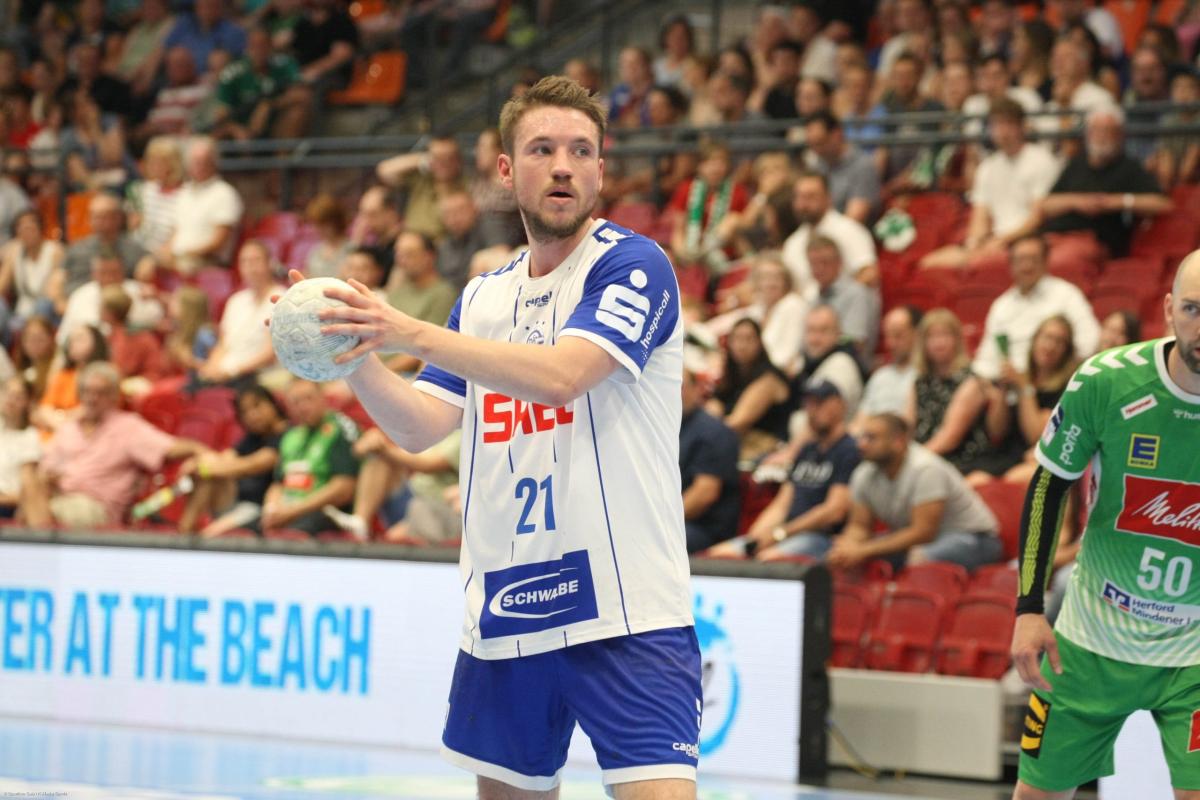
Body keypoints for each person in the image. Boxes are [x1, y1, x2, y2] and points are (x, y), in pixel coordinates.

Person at [308, 75, 701, 797]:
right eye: (542, 149)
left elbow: (563, 377)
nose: (563, 166)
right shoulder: (484, 296)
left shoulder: (633, 265)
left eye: (581, 151)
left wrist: (405, 329)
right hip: (509, 607)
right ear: (506, 170)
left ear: (601, 169)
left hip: (626, 611)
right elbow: (418, 426)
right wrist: (353, 351)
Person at [1008, 251, 1200, 799]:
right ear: (1168, 309)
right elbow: (1048, 487)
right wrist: (1028, 608)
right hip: (1091, 637)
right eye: (1193, 309)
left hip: (1194, 651)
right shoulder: (1106, 381)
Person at [21, 361, 210, 529]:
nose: (92, 398)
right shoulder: (68, 428)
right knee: (28, 482)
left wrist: (200, 450)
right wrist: (47, 479)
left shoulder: (128, 427)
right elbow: (45, 470)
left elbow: (169, 448)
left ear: (114, 396)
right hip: (59, 497)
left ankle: (39, 547)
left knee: (32, 512)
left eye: (100, 392)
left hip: (96, 507)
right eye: (87, 391)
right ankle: (40, 544)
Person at [827, 413, 1002, 572]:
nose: (861, 444)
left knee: (918, 559)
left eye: (871, 438)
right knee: (841, 558)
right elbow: (859, 526)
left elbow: (923, 532)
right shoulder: (863, 473)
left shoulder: (926, 468)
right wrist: (847, 547)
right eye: (862, 437)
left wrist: (863, 550)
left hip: (976, 539)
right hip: (923, 539)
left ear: (898, 442)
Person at [712, 378, 859, 561]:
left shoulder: (849, 450)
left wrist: (780, 533)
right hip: (787, 534)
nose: (812, 410)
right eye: (808, 404)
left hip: (821, 537)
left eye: (819, 403)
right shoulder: (807, 450)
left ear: (839, 404)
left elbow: (835, 511)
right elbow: (782, 504)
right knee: (718, 556)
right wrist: (756, 537)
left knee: (768, 561)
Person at [919, 99, 1061, 271]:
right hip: (995, 240)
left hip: (1028, 240)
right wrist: (974, 243)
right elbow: (980, 215)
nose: (1003, 131)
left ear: (1022, 127)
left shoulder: (1041, 160)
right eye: (997, 125)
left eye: (1008, 124)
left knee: (980, 262)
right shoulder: (987, 167)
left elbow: (1037, 217)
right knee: (928, 263)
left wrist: (1002, 241)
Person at [972, 235, 1100, 383]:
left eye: (1033, 259)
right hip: (1007, 384)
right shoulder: (1002, 305)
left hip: (1053, 380)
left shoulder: (1066, 294)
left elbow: (1089, 341)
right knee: (974, 383)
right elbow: (986, 358)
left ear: (1045, 262)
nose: (1027, 266)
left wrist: (1057, 371)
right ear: (1010, 265)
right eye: (1021, 260)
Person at [177, 385, 288, 535]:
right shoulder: (253, 437)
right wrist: (199, 462)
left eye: (257, 406)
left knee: (210, 534)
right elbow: (225, 457)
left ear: (272, 403)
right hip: (236, 501)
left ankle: (187, 535)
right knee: (208, 465)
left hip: (262, 508)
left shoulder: (288, 435)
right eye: (245, 412)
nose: (252, 415)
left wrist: (204, 468)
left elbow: (253, 465)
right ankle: (184, 531)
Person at [323, 425, 463, 544]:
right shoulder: (438, 430)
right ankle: (359, 522)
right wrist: (369, 445)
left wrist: (382, 448)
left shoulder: (464, 436)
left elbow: (427, 465)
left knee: (383, 456)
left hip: (436, 507)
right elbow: (402, 452)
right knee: (379, 460)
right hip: (412, 494)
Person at [259, 379, 358, 536]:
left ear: (323, 397)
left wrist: (293, 511)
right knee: (247, 532)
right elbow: (278, 484)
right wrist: (271, 509)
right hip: (288, 510)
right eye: (296, 402)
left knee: (292, 535)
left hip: (323, 513)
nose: (303, 407)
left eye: (308, 398)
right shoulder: (290, 436)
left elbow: (344, 488)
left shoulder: (339, 430)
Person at [197, 240, 283, 388]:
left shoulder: (281, 298)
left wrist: (232, 371)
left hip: (257, 373)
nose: (250, 267)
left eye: (256, 260)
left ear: (269, 263)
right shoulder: (235, 301)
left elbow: (271, 353)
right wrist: (211, 366)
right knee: (191, 387)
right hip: (226, 371)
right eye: (245, 262)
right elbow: (223, 343)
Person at [707, 317, 793, 461]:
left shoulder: (769, 378)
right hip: (737, 443)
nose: (742, 345)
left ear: (760, 343)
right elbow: (713, 407)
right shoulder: (731, 376)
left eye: (748, 339)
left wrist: (702, 431)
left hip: (766, 447)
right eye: (737, 339)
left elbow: (737, 423)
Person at [159, 136, 244, 275]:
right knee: (146, 263)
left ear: (214, 162)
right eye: (195, 161)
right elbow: (176, 232)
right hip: (179, 257)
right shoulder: (184, 192)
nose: (199, 166)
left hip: (207, 261)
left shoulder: (225, 193)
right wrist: (166, 251)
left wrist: (185, 253)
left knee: (178, 267)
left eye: (203, 161)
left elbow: (219, 242)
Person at [678, 367, 741, 554]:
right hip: (675, 520)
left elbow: (704, 494)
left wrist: (660, 522)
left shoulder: (713, 432)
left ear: (697, 389)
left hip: (704, 528)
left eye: (680, 386)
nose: (674, 393)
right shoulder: (666, 429)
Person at [781, 170, 878, 290]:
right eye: (799, 197)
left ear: (828, 198)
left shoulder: (850, 231)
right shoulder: (792, 243)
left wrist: (840, 298)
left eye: (810, 197)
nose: (803, 204)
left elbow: (869, 274)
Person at [851, 306, 920, 432]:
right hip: (871, 439)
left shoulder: (925, 377)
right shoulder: (880, 376)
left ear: (917, 334)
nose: (890, 343)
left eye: (898, 335)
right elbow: (859, 423)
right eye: (887, 336)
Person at [0, 377, 40, 518]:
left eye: (18, 396)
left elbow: (27, 493)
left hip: (8, 506)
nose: (10, 400)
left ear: (27, 402)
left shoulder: (29, 437)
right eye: (7, 393)